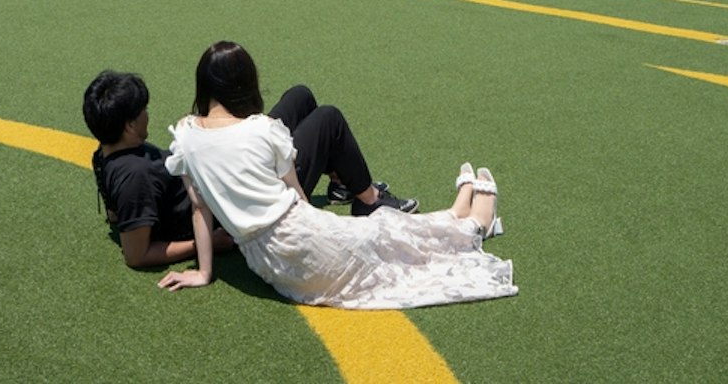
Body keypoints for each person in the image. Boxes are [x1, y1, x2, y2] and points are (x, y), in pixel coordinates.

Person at [157, 42, 515, 309]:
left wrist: (204, 273)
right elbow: (297, 197)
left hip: (264, 262)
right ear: (245, 84)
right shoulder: (261, 130)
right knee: (384, 237)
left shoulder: (186, 136)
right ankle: (472, 225)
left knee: (381, 235)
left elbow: (198, 209)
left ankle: (453, 216)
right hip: (300, 240)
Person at [83, 68, 417, 272]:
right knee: (328, 119)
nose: (148, 115)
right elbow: (137, 254)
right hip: (246, 199)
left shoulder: (107, 152)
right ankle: (368, 199)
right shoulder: (135, 177)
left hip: (224, 176)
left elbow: (117, 216)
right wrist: (212, 242)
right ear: (128, 126)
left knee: (300, 97)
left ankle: (341, 181)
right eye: (142, 111)